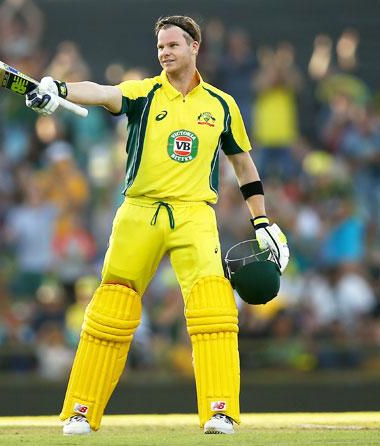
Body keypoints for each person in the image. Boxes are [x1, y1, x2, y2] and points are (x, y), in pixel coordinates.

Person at [25, 15, 289, 435]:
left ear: (194, 47)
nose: (165, 53)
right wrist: (59, 88)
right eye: (161, 47)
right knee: (112, 307)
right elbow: (103, 93)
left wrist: (262, 221)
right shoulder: (145, 92)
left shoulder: (221, 105)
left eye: (173, 45)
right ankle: (80, 411)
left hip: (195, 214)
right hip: (139, 212)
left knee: (213, 307)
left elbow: (243, 164)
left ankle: (219, 411)